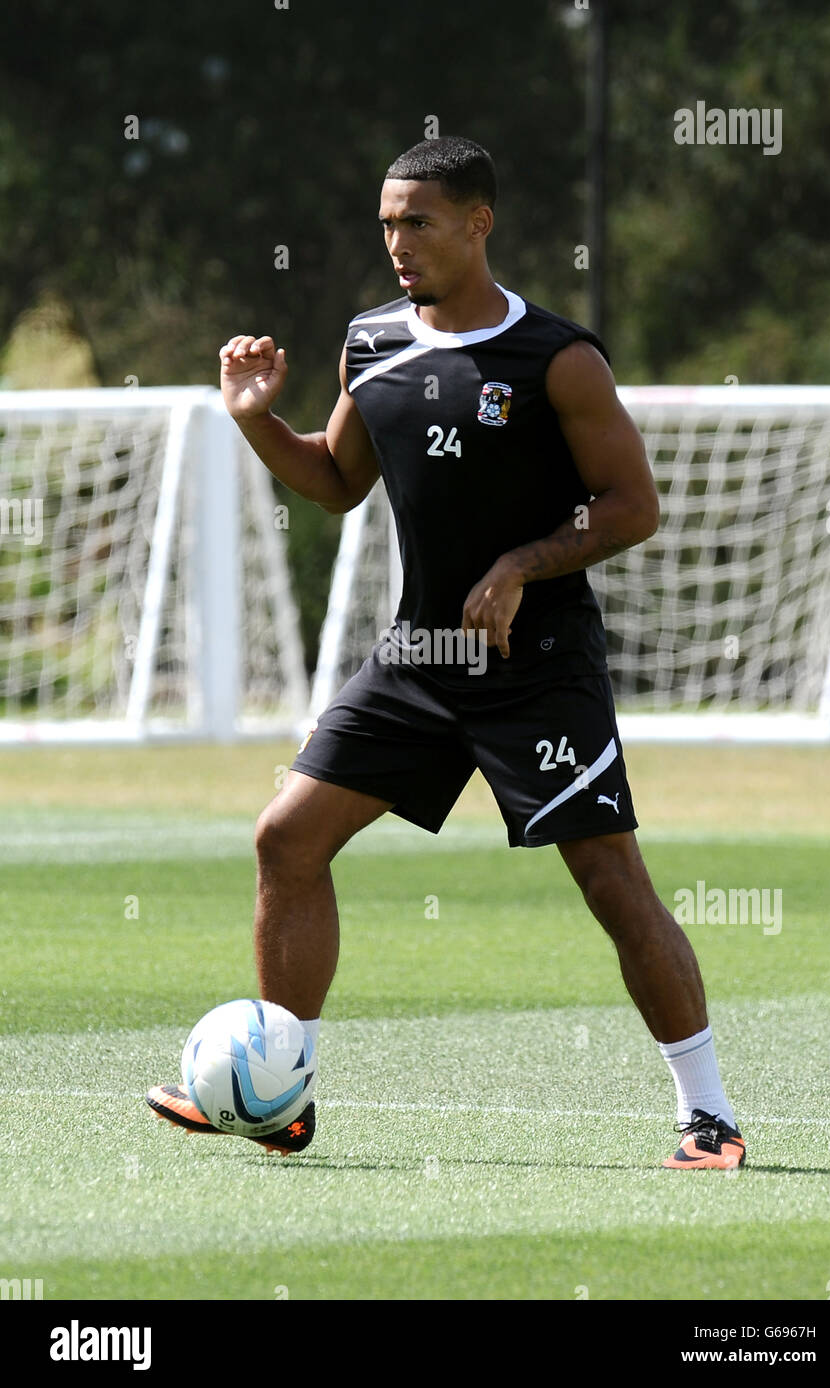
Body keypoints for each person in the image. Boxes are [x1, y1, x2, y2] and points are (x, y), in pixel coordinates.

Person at [147, 136, 745, 1169]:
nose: (396, 243)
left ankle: (708, 1115)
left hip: (540, 668)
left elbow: (632, 507)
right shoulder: (370, 344)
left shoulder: (557, 358)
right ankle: (281, 1094)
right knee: (285, 839)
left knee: (610, 881)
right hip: (417, 661)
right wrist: (256, 421)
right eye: (386, 223)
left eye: (417, 221)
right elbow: (336, 483)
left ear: (479, 221)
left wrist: (520, 562)